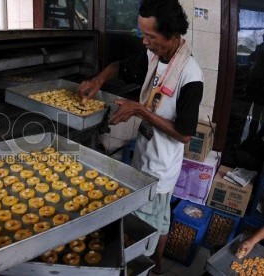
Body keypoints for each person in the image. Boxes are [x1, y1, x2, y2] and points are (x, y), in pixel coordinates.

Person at [78, 0, 203, 273]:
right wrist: (98, 81)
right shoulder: (154, 57)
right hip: (144, 155)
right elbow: (117, 66)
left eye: (150, 36)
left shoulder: (190, 75)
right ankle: (153, 262)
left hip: (162, 166)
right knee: (156, 216)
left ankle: (149, 264)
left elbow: (184, 134)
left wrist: (141, 111)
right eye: (142, 34)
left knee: (150, 221)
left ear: (171, 35)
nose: (144, 42)